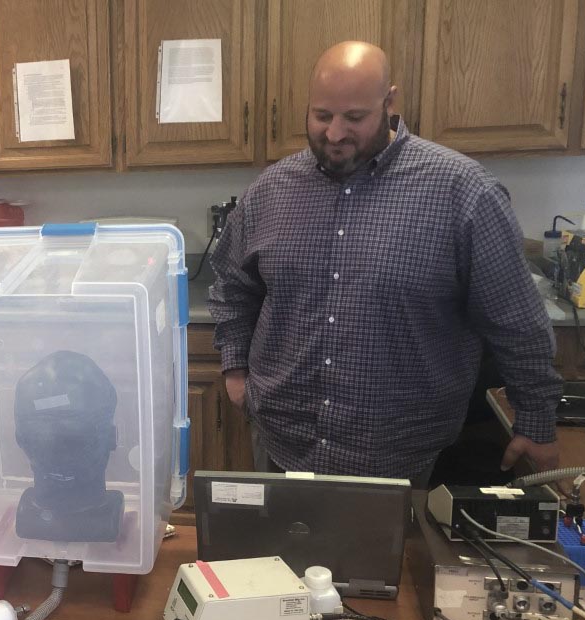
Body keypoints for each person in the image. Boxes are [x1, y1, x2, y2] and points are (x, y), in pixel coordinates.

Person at [208, 41, 562, 486]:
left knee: (397, 558)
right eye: (321, 116)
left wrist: (536, 419)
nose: (335, 134)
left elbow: (516, 320)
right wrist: (236, 371)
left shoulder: (463, 193)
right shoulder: (272, 190)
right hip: (285, 442)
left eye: (354, 118)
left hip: (406, 458)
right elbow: (233, 286)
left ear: (389, 103)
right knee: (283, 557)